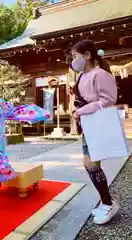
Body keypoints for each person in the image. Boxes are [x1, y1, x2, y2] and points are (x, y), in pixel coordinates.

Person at [70, 39, 119, 225]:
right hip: (88, 124)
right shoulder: (82, 76)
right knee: (87, 163)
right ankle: (106, 200)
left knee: (92, 164)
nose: (73, 61)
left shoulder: (100, 74)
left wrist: (81, 110)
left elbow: (108, 100)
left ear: (87, 55)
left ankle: (108, 203)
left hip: (98, 124)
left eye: (75, 56)